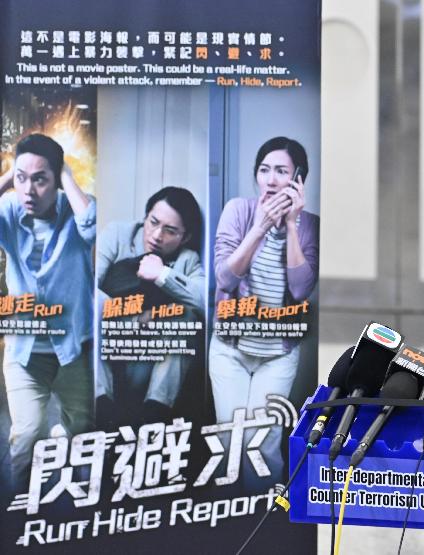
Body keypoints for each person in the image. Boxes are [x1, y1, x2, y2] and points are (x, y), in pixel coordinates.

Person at [209, 136, 319, 482]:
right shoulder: (238, 211)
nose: (271, 180)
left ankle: (265, 520)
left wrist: (289, 225)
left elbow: (302, 289)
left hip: (278, 353)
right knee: (230, 440)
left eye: (282, 172)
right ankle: (231, 520)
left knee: (265, 443)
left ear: (298, 179)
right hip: (230, 349)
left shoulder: (311, 225)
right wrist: (258, 228)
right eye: (264, 170)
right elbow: (225, 278)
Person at [0, 134, 96, 490]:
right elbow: (18, 188)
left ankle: (86, 517)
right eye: (22, 179)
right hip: (26, 353)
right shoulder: (10, 210)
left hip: (74, 350)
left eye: (40, 179)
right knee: (24, 435)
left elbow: (92, 226)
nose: (29, 190)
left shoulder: (77, 209)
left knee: (83, 430)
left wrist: (66, 174)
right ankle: (19, 517)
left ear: (56, 179)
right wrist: (12, 175)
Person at [95, 186, 205, 425]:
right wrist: (131, 314)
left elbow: (204, 302)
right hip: (108, 343)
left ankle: (156, 412)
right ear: (145, 217)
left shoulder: (188, 259)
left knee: (188, 317)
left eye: (170, 231)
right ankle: (101, 406)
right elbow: (86, 286)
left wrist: (161, 274)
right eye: (153, 222)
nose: (156, 235)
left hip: (151, 356)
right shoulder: (118, 235)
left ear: (185, 237)